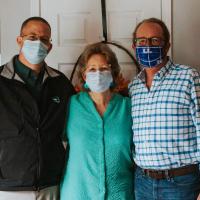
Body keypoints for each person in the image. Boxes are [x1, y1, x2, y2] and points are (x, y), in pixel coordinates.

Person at [0, 17, 75, 200]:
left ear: (50, 46)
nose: (38, 43)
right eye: (32, 37)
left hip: (51, 185)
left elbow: (72, 129)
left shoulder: (61, 83)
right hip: (9, 187)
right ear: (19, 40)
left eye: (44, 39)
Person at [129, 17, 200, 200]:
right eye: (142, 41)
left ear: (167, 45)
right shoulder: (133, 87)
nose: (147, 45)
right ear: (134, 46)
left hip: (181, 183)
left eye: (155, 40)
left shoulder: (188, 77)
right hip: (142, 182)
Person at [60, 42, 134, 200]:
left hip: (120, 194)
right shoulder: (72, 105)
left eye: (104, 68)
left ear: (113, 74)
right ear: (85, 76)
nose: (98, 74)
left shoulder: (127, 107)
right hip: (77, 193)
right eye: (92, 69)